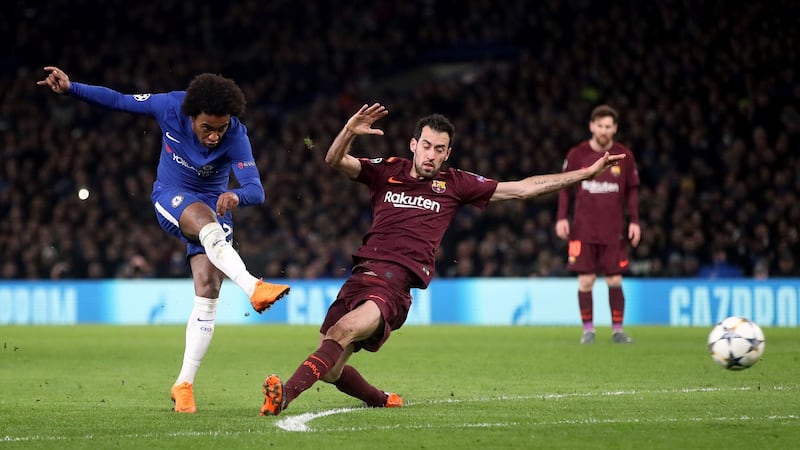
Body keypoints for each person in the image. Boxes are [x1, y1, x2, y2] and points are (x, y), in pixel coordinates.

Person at [259, 103, 625, 416]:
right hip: (360, 276)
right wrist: (349, 130)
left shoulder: (456, 183)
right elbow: (334, 159)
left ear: (448, 153)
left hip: (394, 286)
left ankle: (284, 396)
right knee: (331, 368)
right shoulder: (387, 170)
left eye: (441, 149)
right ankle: (381, 400)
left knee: (342, 332)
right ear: (414, 145)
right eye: (428, 146)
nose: (432, 155)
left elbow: (523, 188)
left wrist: (586, 174)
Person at [37, 67, 290, 413]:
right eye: (207, 128)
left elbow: (256, 191)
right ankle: (252, 286)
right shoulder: (170, 106)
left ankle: (183, 385)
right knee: (203, 218)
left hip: (215, 212)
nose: (215, 136)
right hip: (171, 197)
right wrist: (71, 89)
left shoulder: (236, 135)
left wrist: (237, 196)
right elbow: (118, 100)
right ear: (191, 115)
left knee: (208, 289)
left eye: (221, 128)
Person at [555, 104, 640, 345]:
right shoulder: (577, 155)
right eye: (600, 125)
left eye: (608, 126)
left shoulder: (624, 156)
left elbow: (632, 191)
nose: (603, 130)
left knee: (615, 280)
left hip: (613, 231)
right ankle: (588, 331)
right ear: (592, 126)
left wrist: (634, 221)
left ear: (615, 129)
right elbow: (563, 186)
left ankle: (617, 331)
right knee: (586, 281)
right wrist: (562, 217)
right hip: (583, 230)